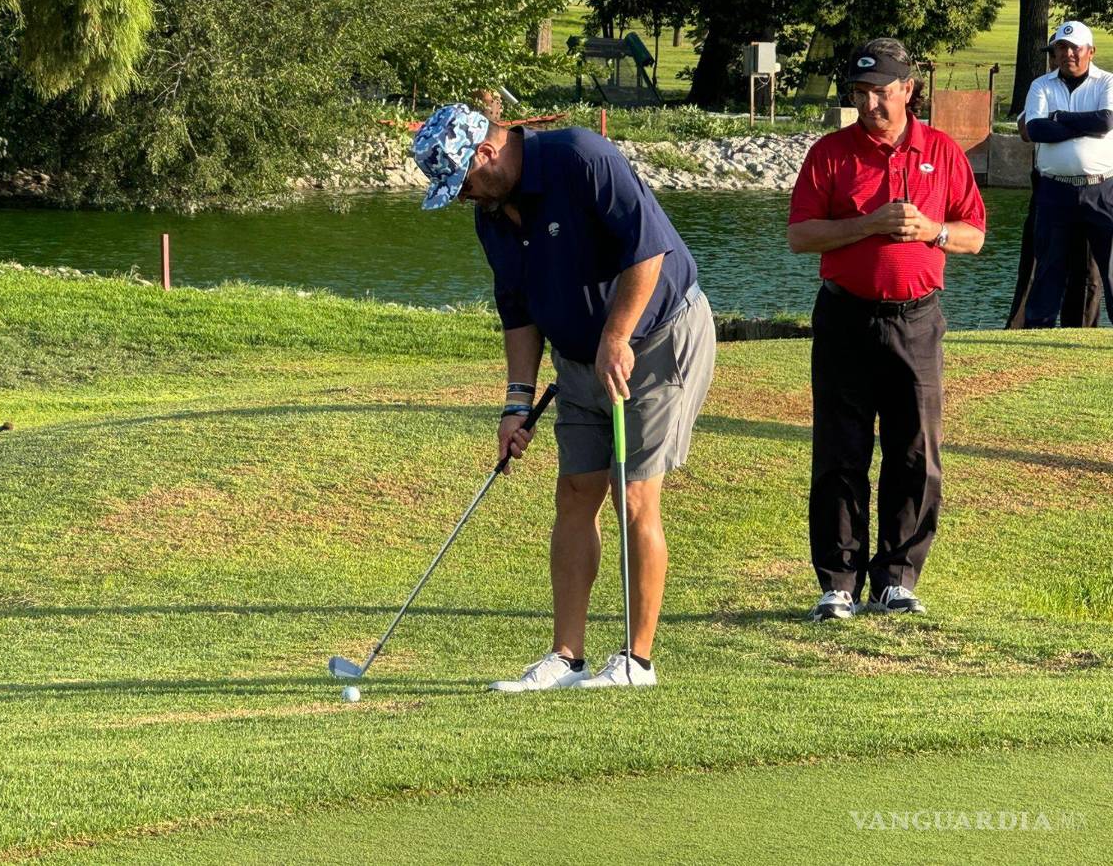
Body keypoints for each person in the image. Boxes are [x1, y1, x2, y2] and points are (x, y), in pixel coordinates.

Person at [412, 104, 715, 690]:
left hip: (655, 340)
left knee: (633, 495)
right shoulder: (493, 213)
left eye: (464, 183)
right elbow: (518, 309)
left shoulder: (581, 156)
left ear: (488, 152)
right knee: (576, 492)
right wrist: (516, 402)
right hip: (579, 358)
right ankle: (567, 657)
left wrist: (617, 335)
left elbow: (646, 250)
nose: (463, 197)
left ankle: (636, 661)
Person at [787, 38, 986, 622]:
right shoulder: (831, 153)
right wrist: (868, 224)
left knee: (915, 452)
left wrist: (933, 231)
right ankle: (839, 583)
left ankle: (898, 578)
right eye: (860, 92)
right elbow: (801, 236)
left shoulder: (942, 151)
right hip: (845, 317)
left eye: (881, 91)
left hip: (918, 320)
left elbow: (974, 235)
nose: (870, 102)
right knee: (840, 451)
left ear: (908, 89)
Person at [1007, 41, 1104, 329]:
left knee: (1087, 268)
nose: (1057, 59)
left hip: (1092, 187)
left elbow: (1103, 124)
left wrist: (1058, 120)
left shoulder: (1098, 88)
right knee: (1040, 263)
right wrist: (1080, 125)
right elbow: (1029, 129)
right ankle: (1024, 328)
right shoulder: (1041, 89)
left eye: (1065, 52)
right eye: (1053, 54)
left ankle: (1080, 331)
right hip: (1048, 189)